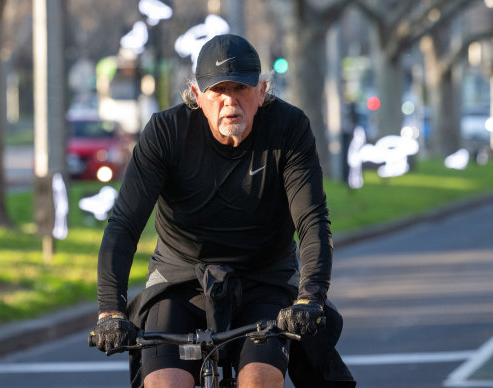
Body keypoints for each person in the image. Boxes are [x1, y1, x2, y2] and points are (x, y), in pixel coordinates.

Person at [93, 34, 352, 388]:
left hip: (265, 276)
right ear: (198, 96)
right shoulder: (165, 133)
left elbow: (312, 221)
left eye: (241, 89)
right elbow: (124, 225)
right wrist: (110, 311)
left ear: (262, 92)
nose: (230, 101)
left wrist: (310, 298)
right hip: (179, 277)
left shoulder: (289, 128)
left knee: (259, 378)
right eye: (218, 91)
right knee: (165, 382)